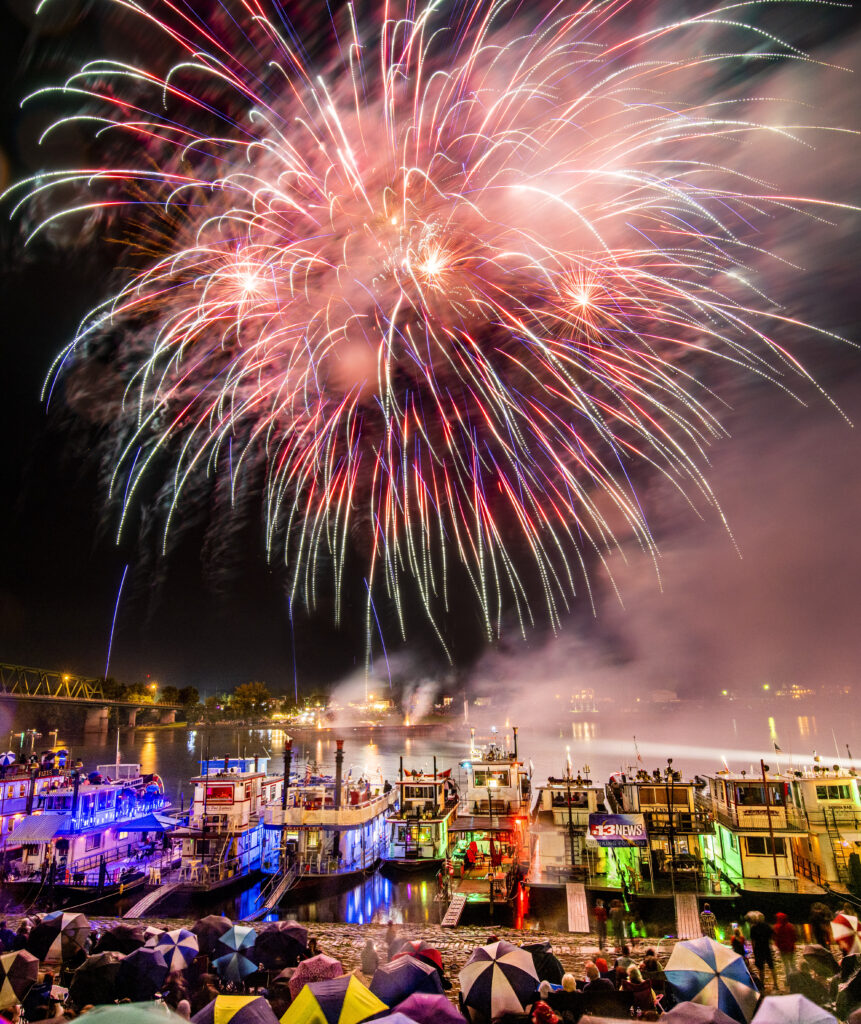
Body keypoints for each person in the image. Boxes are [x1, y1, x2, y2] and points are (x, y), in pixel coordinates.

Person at [749, 912, 779, 991]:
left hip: (758, 949)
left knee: (760, 968)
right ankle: (776, 984)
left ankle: (762, 985)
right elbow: (773, 936)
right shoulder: (767, 926)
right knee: (772, 967)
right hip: (766, 948)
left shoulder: (753, 928)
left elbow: (753, 941)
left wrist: (753, 950)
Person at [773, 912, 797, 980]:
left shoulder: (776, 927)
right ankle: (797, 978)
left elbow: (775, 938)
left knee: (786, 965)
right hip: (791, 948)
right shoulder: (790, 926)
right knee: (793, 964)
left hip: (783, 949)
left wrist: (778, 945)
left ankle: (789, 979)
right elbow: (795, 937)